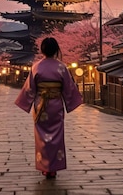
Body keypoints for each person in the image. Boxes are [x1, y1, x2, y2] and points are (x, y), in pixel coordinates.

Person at [15, 37, 83, 179]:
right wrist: (72, 101)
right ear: (56, 50)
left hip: (41, 105)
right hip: (56, 104)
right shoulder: (61, 67)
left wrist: (25, 102)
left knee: (41, 136)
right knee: (56, 136)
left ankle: (45, 167)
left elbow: (29, 88)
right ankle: (54, 167)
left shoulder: (36, 66)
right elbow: (69, 88)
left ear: (42, 50)